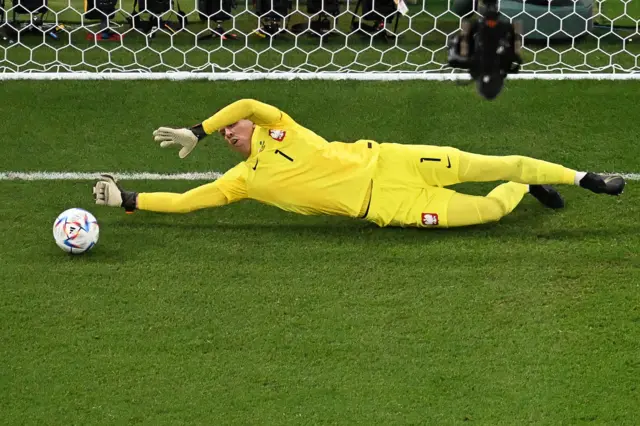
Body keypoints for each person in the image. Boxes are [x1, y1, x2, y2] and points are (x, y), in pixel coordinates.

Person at [92, 99, 625, 229]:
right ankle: (522, 187)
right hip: (387, 206)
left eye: (233, 129)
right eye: (226, 136)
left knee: (495, 160)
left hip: (397, 160)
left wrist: (198, 129)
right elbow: (187, 200)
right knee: (488, 210)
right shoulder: (242, 181)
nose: (232, 133)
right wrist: (129, 199)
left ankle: (587, 179)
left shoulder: (281, 128)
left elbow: (248, 103)